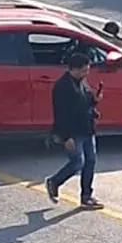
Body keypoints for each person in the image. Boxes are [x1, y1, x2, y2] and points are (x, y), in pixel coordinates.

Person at [45, 53, 104, 209]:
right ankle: (54, 181)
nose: (86, 73)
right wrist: (66, 137)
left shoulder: (81, 82)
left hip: (87, 128)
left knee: (90, 161)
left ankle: (86, 196)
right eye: (84, 71)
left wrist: (95, 100)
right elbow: (61, 114)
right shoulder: (62, 87)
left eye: (87, 70)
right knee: (78, 162)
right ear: (73, 69)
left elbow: (85, 101)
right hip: (73, 132)